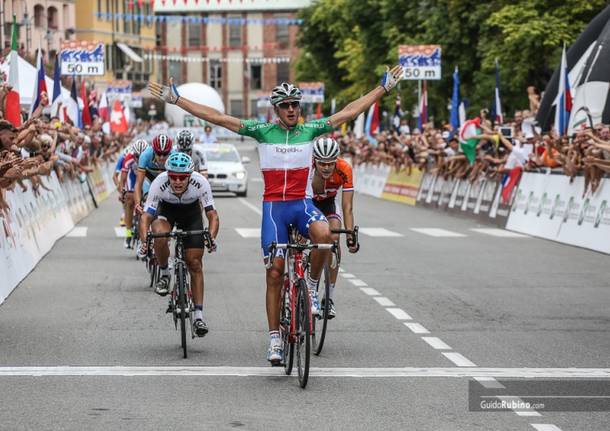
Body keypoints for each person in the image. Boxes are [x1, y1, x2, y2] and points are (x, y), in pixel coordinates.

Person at [148, 64, 403, 364]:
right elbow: (218, 117)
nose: (292, 109)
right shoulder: (262, 131)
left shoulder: (310, 130)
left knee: (325, 236)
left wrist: (382, 89)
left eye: (295, 104)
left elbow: (348, 113)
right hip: (274, 209)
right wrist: (178, 100)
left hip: (301, 204)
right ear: (276, 109)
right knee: (274, 272)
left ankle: (309, 282)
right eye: (286, 105)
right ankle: (274, 340)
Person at [141, 152, 219, 336]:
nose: (177, 181)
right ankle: (165, 273)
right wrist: (145, 241)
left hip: (191, 214)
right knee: (159, 235)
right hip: (166, 210)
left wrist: (211, 237)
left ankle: (199, 316)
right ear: (167, 174)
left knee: (195, 263)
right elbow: (146, 217)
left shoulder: (200, 182)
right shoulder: (159, 182)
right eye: (173, 177)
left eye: (182, 177)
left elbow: (212, 215)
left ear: (190, 176)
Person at [311, 137, 359, 318]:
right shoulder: (307, 165)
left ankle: (329, 298)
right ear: (314, 159)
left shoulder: (344, 168)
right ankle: (301, 282)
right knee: (300, 239)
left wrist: (350, 236)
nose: (326, 167)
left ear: (336, 160)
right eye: (321, 163)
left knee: (333, 240)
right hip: (308, 203)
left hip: (329, 203)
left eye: (330, 164)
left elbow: (347, 207)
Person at [134, 133, 174, 257]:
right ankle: (144, 242)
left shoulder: (174, 155)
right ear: (153, 150)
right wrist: (137, 203)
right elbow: (138, 184)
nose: (162, 157)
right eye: (159, 154)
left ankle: (165, 241)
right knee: (144, 209)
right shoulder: (145, 155)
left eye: (165, 154)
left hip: (166, 181)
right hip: (149, 180)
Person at [119, 139, 149, 249]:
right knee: (130, 200)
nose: (138, 159)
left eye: (141, 156)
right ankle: (128, 235)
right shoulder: (129, 158)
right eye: (137, 156)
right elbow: (123, 178)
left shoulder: (150, 157)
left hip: (146, 179)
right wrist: (123, 192)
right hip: (133, 180)